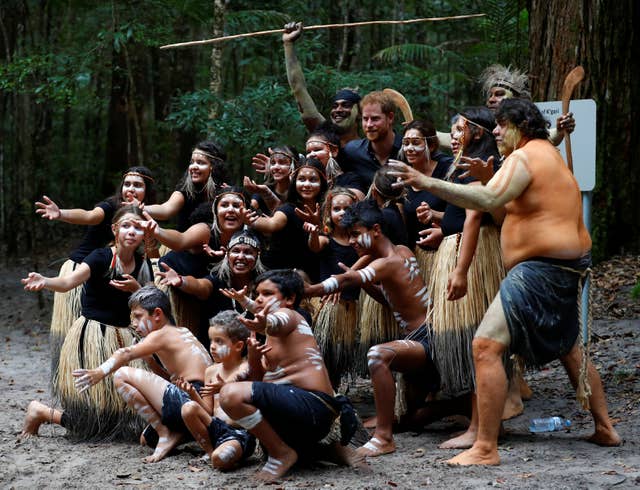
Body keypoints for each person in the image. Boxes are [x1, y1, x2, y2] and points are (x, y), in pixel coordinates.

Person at [388, 98, 621, 465]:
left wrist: (423, 181)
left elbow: (488, 199)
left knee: (485, 345)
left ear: (520, 126)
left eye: (501, 125)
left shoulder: (525, 157)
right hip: (559, 266)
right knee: (568, 347)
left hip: (540, 269)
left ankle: (485, 447)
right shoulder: (544, 155)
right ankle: (606, 427)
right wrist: (485, 181)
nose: (495, 132)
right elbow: (499, 209)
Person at [305, 200, 438, 458]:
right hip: (422, 337)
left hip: (426, 341)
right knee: (409, 419)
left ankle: (384, 438)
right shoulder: (401, 251)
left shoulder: (386, 264)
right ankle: (462, 406)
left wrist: (308, 290)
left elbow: (347, 279)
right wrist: (365, 284)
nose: (352, 241)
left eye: (355, 234)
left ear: (375, 230)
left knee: (378, 355)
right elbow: (393, 301)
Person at [20, 205, 153, 441]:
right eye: (126, 226)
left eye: (137, 227)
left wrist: (137, 289)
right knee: (92, 426)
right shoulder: (100, 257)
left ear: (145, 233)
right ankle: (40, 411)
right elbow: (68, 282)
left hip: (122, 342)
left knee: (122, 426)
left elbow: (151, 304)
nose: (132, 232)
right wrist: (45, 281)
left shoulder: (144, 264)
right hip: (92, 336)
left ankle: (47, 412)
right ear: (114, 230)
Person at [218, 269, 359, 481]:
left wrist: (262, 323)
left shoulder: (291, 317)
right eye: (257, 294)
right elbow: (258, 383)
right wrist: (254, 357)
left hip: (313, 406)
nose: (259, 298)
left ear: (290, 299)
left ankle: (281, 453)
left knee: (230, 395)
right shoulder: (271, 340)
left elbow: (275, 322)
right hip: (299, 412)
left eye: (267, 294)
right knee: (238, 402)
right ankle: (324, 451)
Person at [35, 167, 156, 389]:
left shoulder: (146, 219)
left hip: (118, 271)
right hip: (84, 269)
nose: (131, 189)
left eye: (137, 185)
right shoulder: (110, 206)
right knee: (79, 331)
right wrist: (61, 213)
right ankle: (69, 383)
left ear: (147, 191)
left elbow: (151, 258)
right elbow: (90, 216)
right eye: (127, 184)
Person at [66, 285, 214, 463]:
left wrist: (99, 372)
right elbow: (170, 381)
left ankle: (165, 433)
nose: (134, 323)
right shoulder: (181, 331)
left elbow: (125, 353)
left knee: (121, 375)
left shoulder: (160, 335)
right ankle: (176, 434)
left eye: (138, 316)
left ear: (157, 314)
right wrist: (151, 362)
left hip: (192, 400)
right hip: (198, 403)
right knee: (147, 439)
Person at [157, 229, 266, 349]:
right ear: (227, 255)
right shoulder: (217, 281)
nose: (241, 256)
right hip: (215, 358)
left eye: (248, 252)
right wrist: (181, 281)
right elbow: (199, 286)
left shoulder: (265, 287)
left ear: (257, 255)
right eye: (235, 251)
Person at [179, 310, 256, 470]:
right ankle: (210, 451)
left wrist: (226, 385)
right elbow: (208, 411)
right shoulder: (211, 371)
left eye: (219, 342)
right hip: (215, 427)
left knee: (220, 460)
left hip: (239, 433)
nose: (212, 347)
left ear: (238, 346)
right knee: (188, 408)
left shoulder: (247, 369)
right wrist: (192, 393)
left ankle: (225, 453)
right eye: (211, 340)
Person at [303, 187, 361, 388]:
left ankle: (334, 392)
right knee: (325, 353)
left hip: (351, 306)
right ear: (329, 213)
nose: (342, 212)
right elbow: (315, 246)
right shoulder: (327, 239)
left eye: (348, 208)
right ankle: (324, 391)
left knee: (340, 358)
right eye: (337, 209)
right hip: (329, 306)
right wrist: (312, 232)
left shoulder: (359, 241)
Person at [243, 158, 328, 282]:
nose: (307, 184)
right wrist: (252, 221)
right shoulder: (288, 209)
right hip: (282, 279)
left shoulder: (329, 211)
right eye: (301, 179)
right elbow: (272, 224)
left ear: (322, 183)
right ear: (294, 182)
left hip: (316, 280)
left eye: (313, 180)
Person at [282, 22, 361, 147]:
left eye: (346, 105)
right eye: (335, 106)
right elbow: (298, 89)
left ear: (360, 113)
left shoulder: (370, 146)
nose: (338, 110)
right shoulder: (325, 136)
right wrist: (288, 44)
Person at [145, 141, 227, 232]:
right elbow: (165, 209)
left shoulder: (226, 192)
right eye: (192, 162)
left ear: (214, 167)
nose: (193, 167)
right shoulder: (185, 191)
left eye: (200, 163)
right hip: (183, 243)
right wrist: (140, 208)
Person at [341, 91, 403, 187]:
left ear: (390, 118)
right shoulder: (352, 152)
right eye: (365, 119)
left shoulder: (408, 151)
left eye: (375, 119)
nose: (369, 125)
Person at [245, 145, 296, 215]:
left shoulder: (299, 192)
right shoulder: (264, 188)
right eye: (273, 163)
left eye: (282, 162)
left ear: (294, 165)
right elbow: (249, 208)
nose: (276, 167)